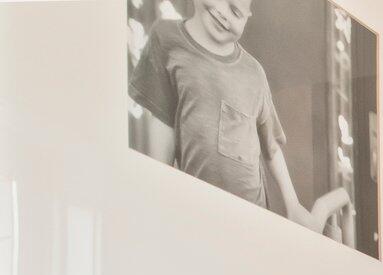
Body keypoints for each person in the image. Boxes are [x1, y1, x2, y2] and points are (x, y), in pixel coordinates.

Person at [130, 0, 351, 238]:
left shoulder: (253, 72)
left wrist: (292, 204)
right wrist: (157, 192)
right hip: (198, 209)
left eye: (236, 12)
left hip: (252, 218)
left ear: (248, 16)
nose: (224, 15)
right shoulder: (167, 38)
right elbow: (162, 121)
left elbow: (272, 147)